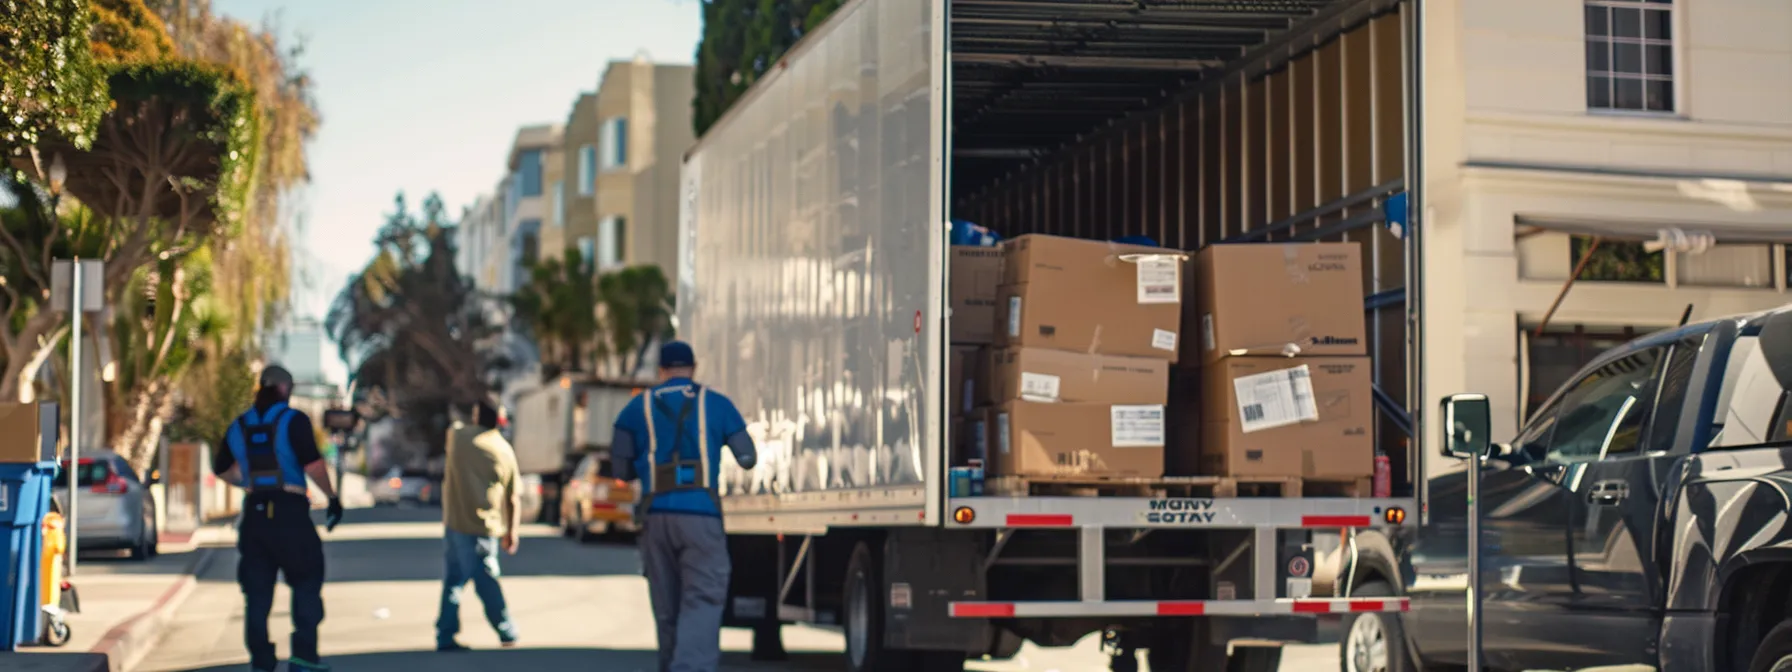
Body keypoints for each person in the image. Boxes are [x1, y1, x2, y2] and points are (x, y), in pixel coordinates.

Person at [612, 340, 758, 672]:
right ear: (693, 368)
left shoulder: (635, 409)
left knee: (667, 605)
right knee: (702, 598)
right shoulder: (717, 404)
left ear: (661, 371)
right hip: (701, 515)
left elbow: (620, 470)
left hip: (656, 516)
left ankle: (671, 663)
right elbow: (747, 457)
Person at [212, 365, 343, 672]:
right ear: (285, 389)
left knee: (256, 593)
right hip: (290, 512)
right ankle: (303, 657)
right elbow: (312, 465)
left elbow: (221, 468)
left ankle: (261, 660)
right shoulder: (293, 420)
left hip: (255, 514)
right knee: (307, 582)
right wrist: (333, 498)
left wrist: (247, 482)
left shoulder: (239, 425)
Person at [435, 398, 521, 651]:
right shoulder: (503, 450)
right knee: (486, 580)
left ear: (476, 416)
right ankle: (507, 630)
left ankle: (445, 635)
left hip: (454, 524)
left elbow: (454, 424)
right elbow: (513, 497)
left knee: (453, 580)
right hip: (483, 528)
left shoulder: (457, 437)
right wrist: (512, 533)